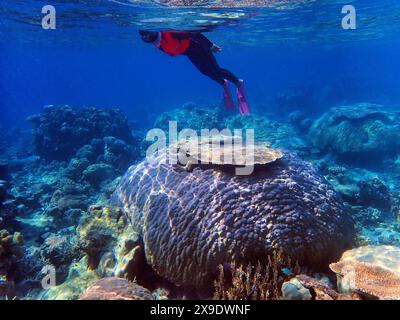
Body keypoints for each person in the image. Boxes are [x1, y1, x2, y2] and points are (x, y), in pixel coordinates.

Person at [139, 30, 250, 114]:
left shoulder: (169, 33)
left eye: (147, 34)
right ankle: (223, 83)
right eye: (143, 36)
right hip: (190, 53)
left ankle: (237, 82)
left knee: (216, 70)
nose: (146, 37)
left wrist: (210, 46)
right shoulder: (158, 45)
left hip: (198, 47)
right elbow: (177, 50)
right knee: (206, 72)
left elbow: (193, 34)